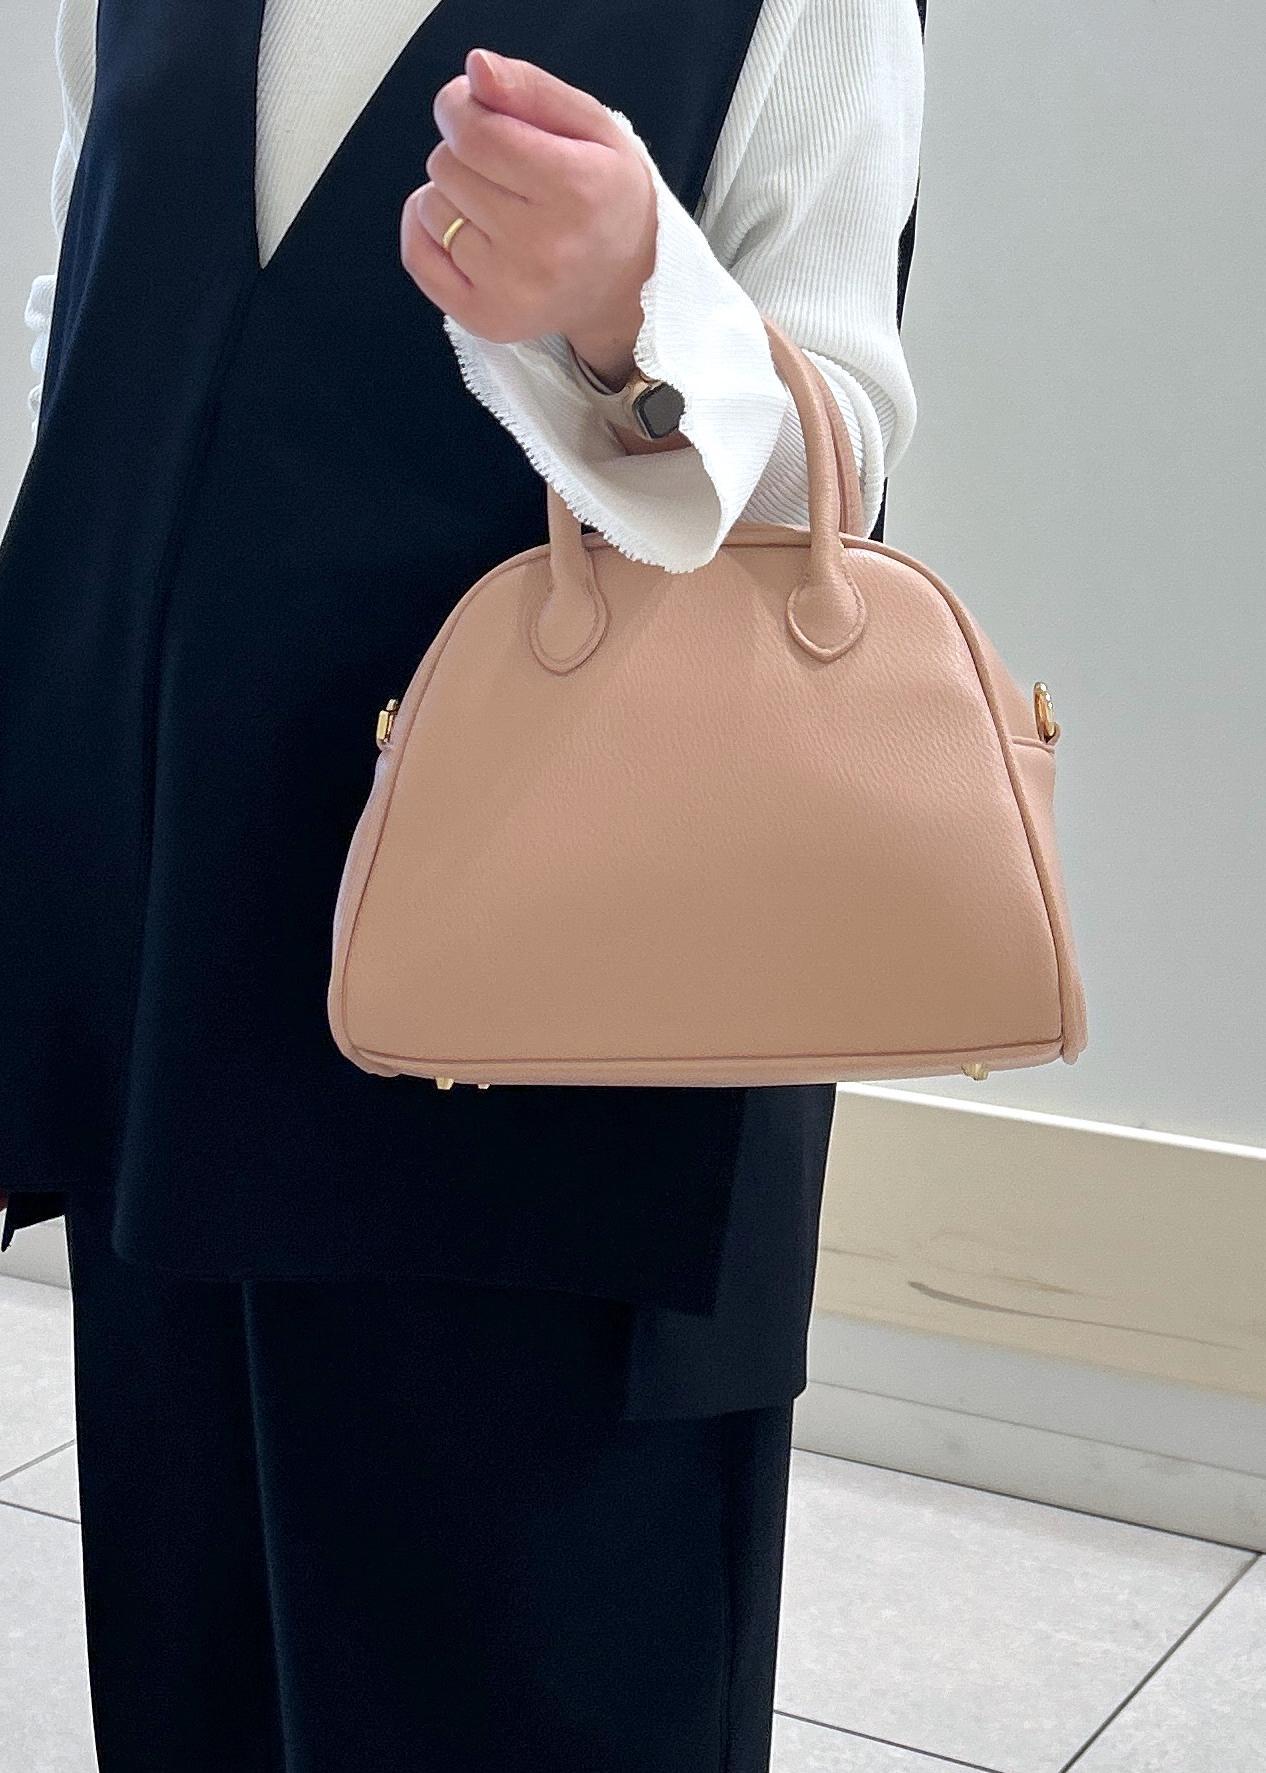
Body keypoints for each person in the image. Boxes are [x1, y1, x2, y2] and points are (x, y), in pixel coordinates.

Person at [0, 0, 924, 1766]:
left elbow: (843, 468)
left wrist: (633, 307)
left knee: (536, 1651)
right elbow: (95, 323)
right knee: (195, 1644)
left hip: (560, 1013)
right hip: (167, 942)